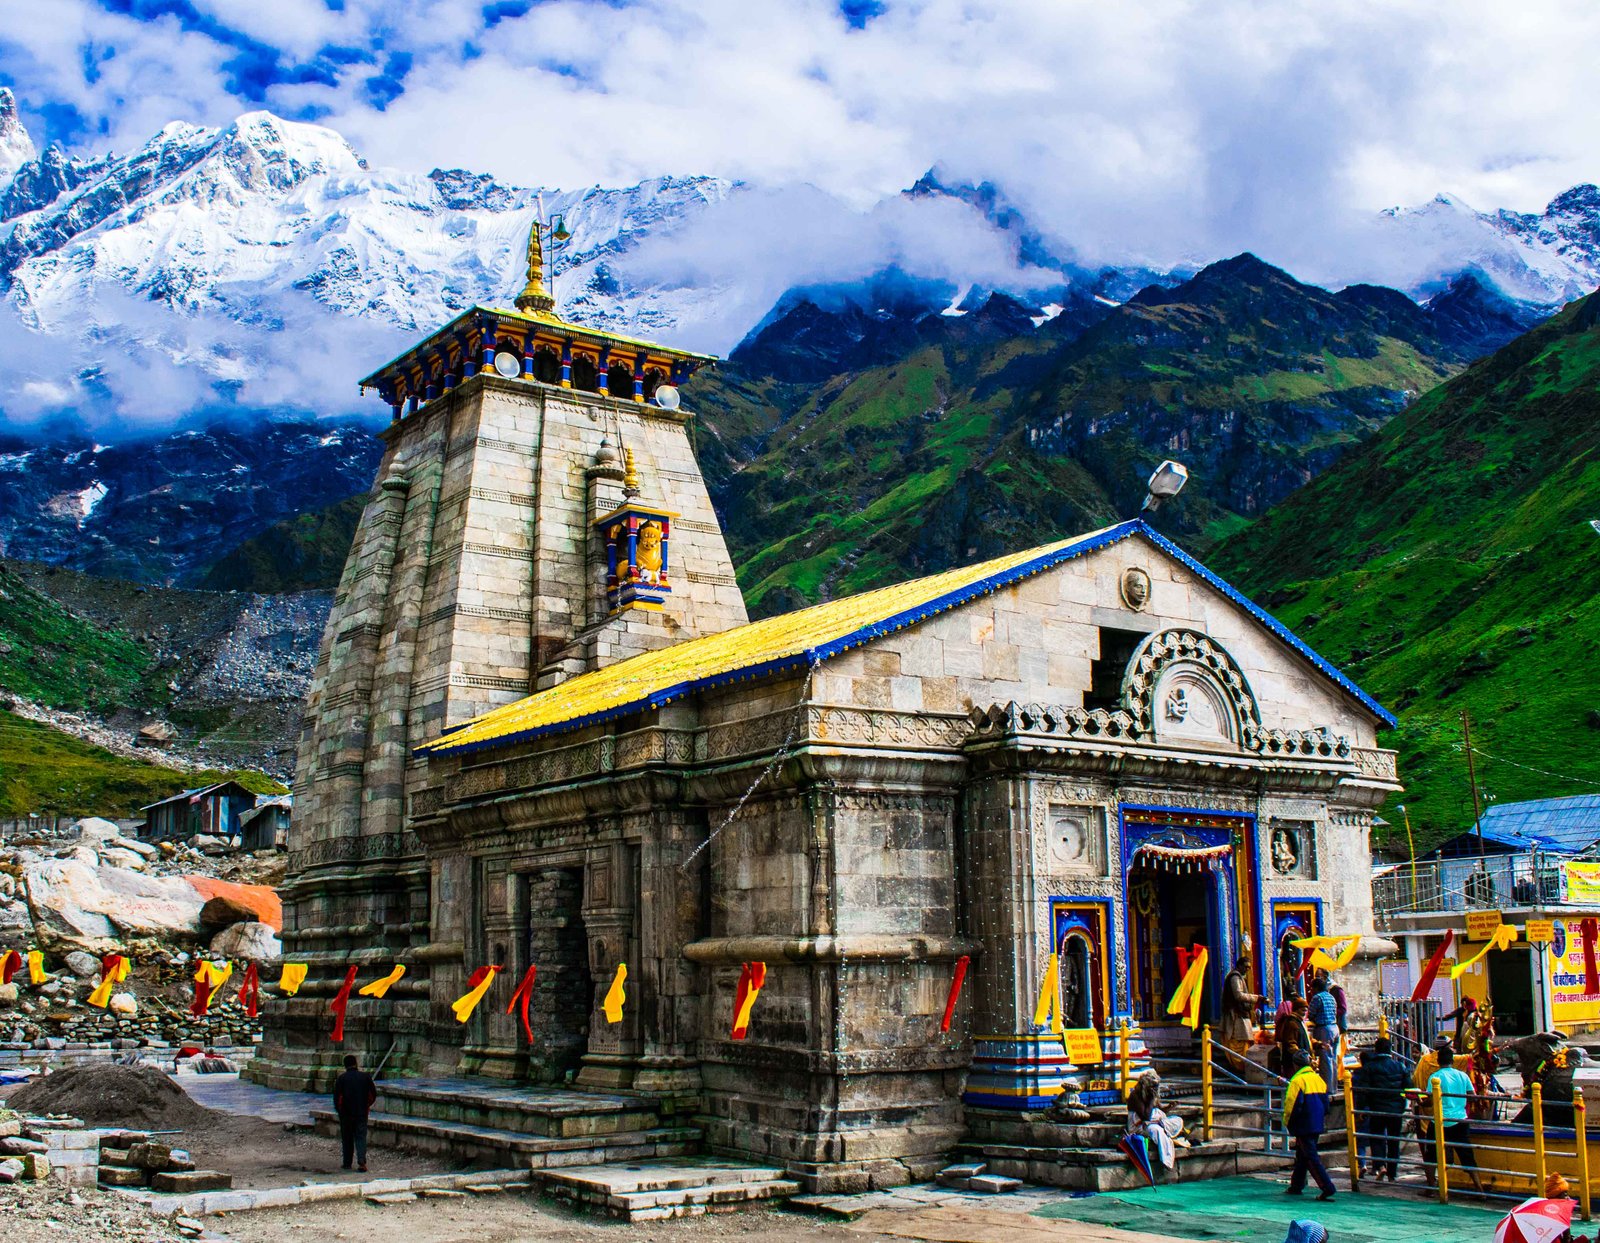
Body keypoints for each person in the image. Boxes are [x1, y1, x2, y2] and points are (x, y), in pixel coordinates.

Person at [1350, 1036, 1410, 1181]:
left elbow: (1363, 1091)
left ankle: (1381, 1165)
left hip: (1376, 1108)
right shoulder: (1400, 1066)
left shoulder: (1369, 1068)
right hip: (1396, 1110)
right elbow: (1408, 1087)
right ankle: (1392, 1173)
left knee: (1376, 1139)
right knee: (1394, 1141)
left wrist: (1361, 1110)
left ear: (1376, 1050)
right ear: (1390, 1050)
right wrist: (1404, 1104)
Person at [1426, 1047, 1483, 1193]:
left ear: (1438, 1061)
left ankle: (1431, 1187)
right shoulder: (1462, 1076)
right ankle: (1479, 1189)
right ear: (1452, 1060)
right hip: (1460, 1120)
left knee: (1431, 1155)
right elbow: (1472, 1096)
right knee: (1467, 1156)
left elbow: (1429, 1101)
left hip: (1440, 1121)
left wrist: (1419, 1100)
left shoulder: (1434, 1077)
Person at [1283, 1061, 1335, 1201]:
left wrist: (1287, 1122)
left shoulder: (1297, 1081)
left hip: (1303, 1124)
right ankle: (1296, 1185)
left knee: (1310, 1156)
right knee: (1303, 1156)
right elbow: (1326, 1104)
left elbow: (1292, 1105)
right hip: (1317, 1122)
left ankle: (1327, 1187)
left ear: (1296, 1066)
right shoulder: (1318, 1079)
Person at [1410, 1034, 1451, 1186]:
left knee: (1432, 1151)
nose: (1414, 1054)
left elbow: (1427, 1099)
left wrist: (1419, 1100)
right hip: (1448, 1115)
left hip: (1435, 1114)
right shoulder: (1424, 1064)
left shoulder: (1425, 1064)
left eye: (1416, 1051)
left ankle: (1433, 1183)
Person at [1125, 1070, 1181, 1173]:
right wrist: (1151, 1098)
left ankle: (1166, 1129)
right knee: (1157, 1131)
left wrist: (1168, 1108)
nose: (1156, 1090)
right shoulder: (1135, 1096)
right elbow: (1146, 1116)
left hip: (1154, 1122)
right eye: (1153, 1087)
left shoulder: (1152, 1095)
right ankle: (1166, 1161)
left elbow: (1158, 1111)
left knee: (1178, 1120)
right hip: (1140, 1126)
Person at [333, 1053, 377, 1172]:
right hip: (362, 1112)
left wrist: (340, 1111)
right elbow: (373, 1094)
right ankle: (362, 1162)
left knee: (347, 1138)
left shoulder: (341, 1079)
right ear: (356, 1064)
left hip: (346, 1114)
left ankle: (347, 1163)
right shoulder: (365, 1077)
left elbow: (337, 1099)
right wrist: (367, 1105)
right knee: (360, 1137)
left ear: (345, 1065)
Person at [1221, 953, 1266, 1055]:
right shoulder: (1235, 977)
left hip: (1240, 1013)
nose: (1247, 969)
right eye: (1245, 967)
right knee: (1238, 1040)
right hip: (1235, 1015)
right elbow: (1238, 996)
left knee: (1243, 1040)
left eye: (1249, 968)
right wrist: (1257, 998)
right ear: (1239, 966)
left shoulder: (1239, 977)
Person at [1307, 977, 1339, 1090]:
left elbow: (1310, 1014)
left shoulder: (1317, 997)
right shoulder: (1331, 997)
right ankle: (1333, 1087)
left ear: (1315, 988)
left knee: (1325, 1060)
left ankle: (1327, 1089)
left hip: (1324, 1029)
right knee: (1333, 1058)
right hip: (1334, 1028)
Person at [1274, 996, 1313, 1078]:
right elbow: (1290, 1043)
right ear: (1296, 1010)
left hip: (1302, 1061)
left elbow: (1307, 1039)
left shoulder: (1301, 1022)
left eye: (1306, 1011)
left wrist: (1318, 1044)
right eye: (1303, 1010)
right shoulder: (1292, 1023)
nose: (1304, 1013)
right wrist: (1300, 1055)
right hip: (1293, 1063)